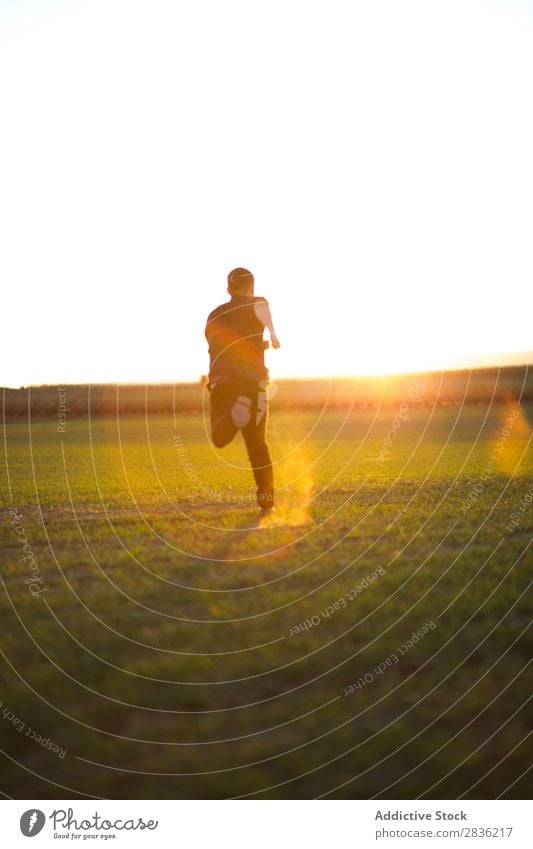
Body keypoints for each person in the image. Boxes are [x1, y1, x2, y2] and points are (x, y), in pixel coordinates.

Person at [205, 267, 280, 513]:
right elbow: (262, 313)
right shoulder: (258, 305)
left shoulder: (214, 315)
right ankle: (266, 497)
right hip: (255, 383)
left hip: (224, 382)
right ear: (252, 286)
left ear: (228, 288)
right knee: (258, 444)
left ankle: (232, 416)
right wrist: (268, 338)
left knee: (220, 437)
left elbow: (216, 345)